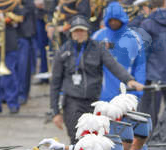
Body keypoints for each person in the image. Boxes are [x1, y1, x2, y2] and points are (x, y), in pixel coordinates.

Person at [49, 14, 144, 142]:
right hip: (72, 101)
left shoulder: (98, 48)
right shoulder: (63, 52)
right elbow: (55, 83)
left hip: (94, 101)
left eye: (82, 30)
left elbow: (113, 65)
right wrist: (55, 112)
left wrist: (129, 79)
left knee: (95, 140)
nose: (79, 34)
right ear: (70, 33)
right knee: (77, 138)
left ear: (87, 31)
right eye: (76, 31)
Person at [92, 2, 146, 101]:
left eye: (116, 20)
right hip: (101, 96)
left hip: (126, 95)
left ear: (122, 19)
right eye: (111, 20)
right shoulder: (97, 37)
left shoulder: (134, 38)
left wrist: (137, 93)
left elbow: (140, 66)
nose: (113, 22)